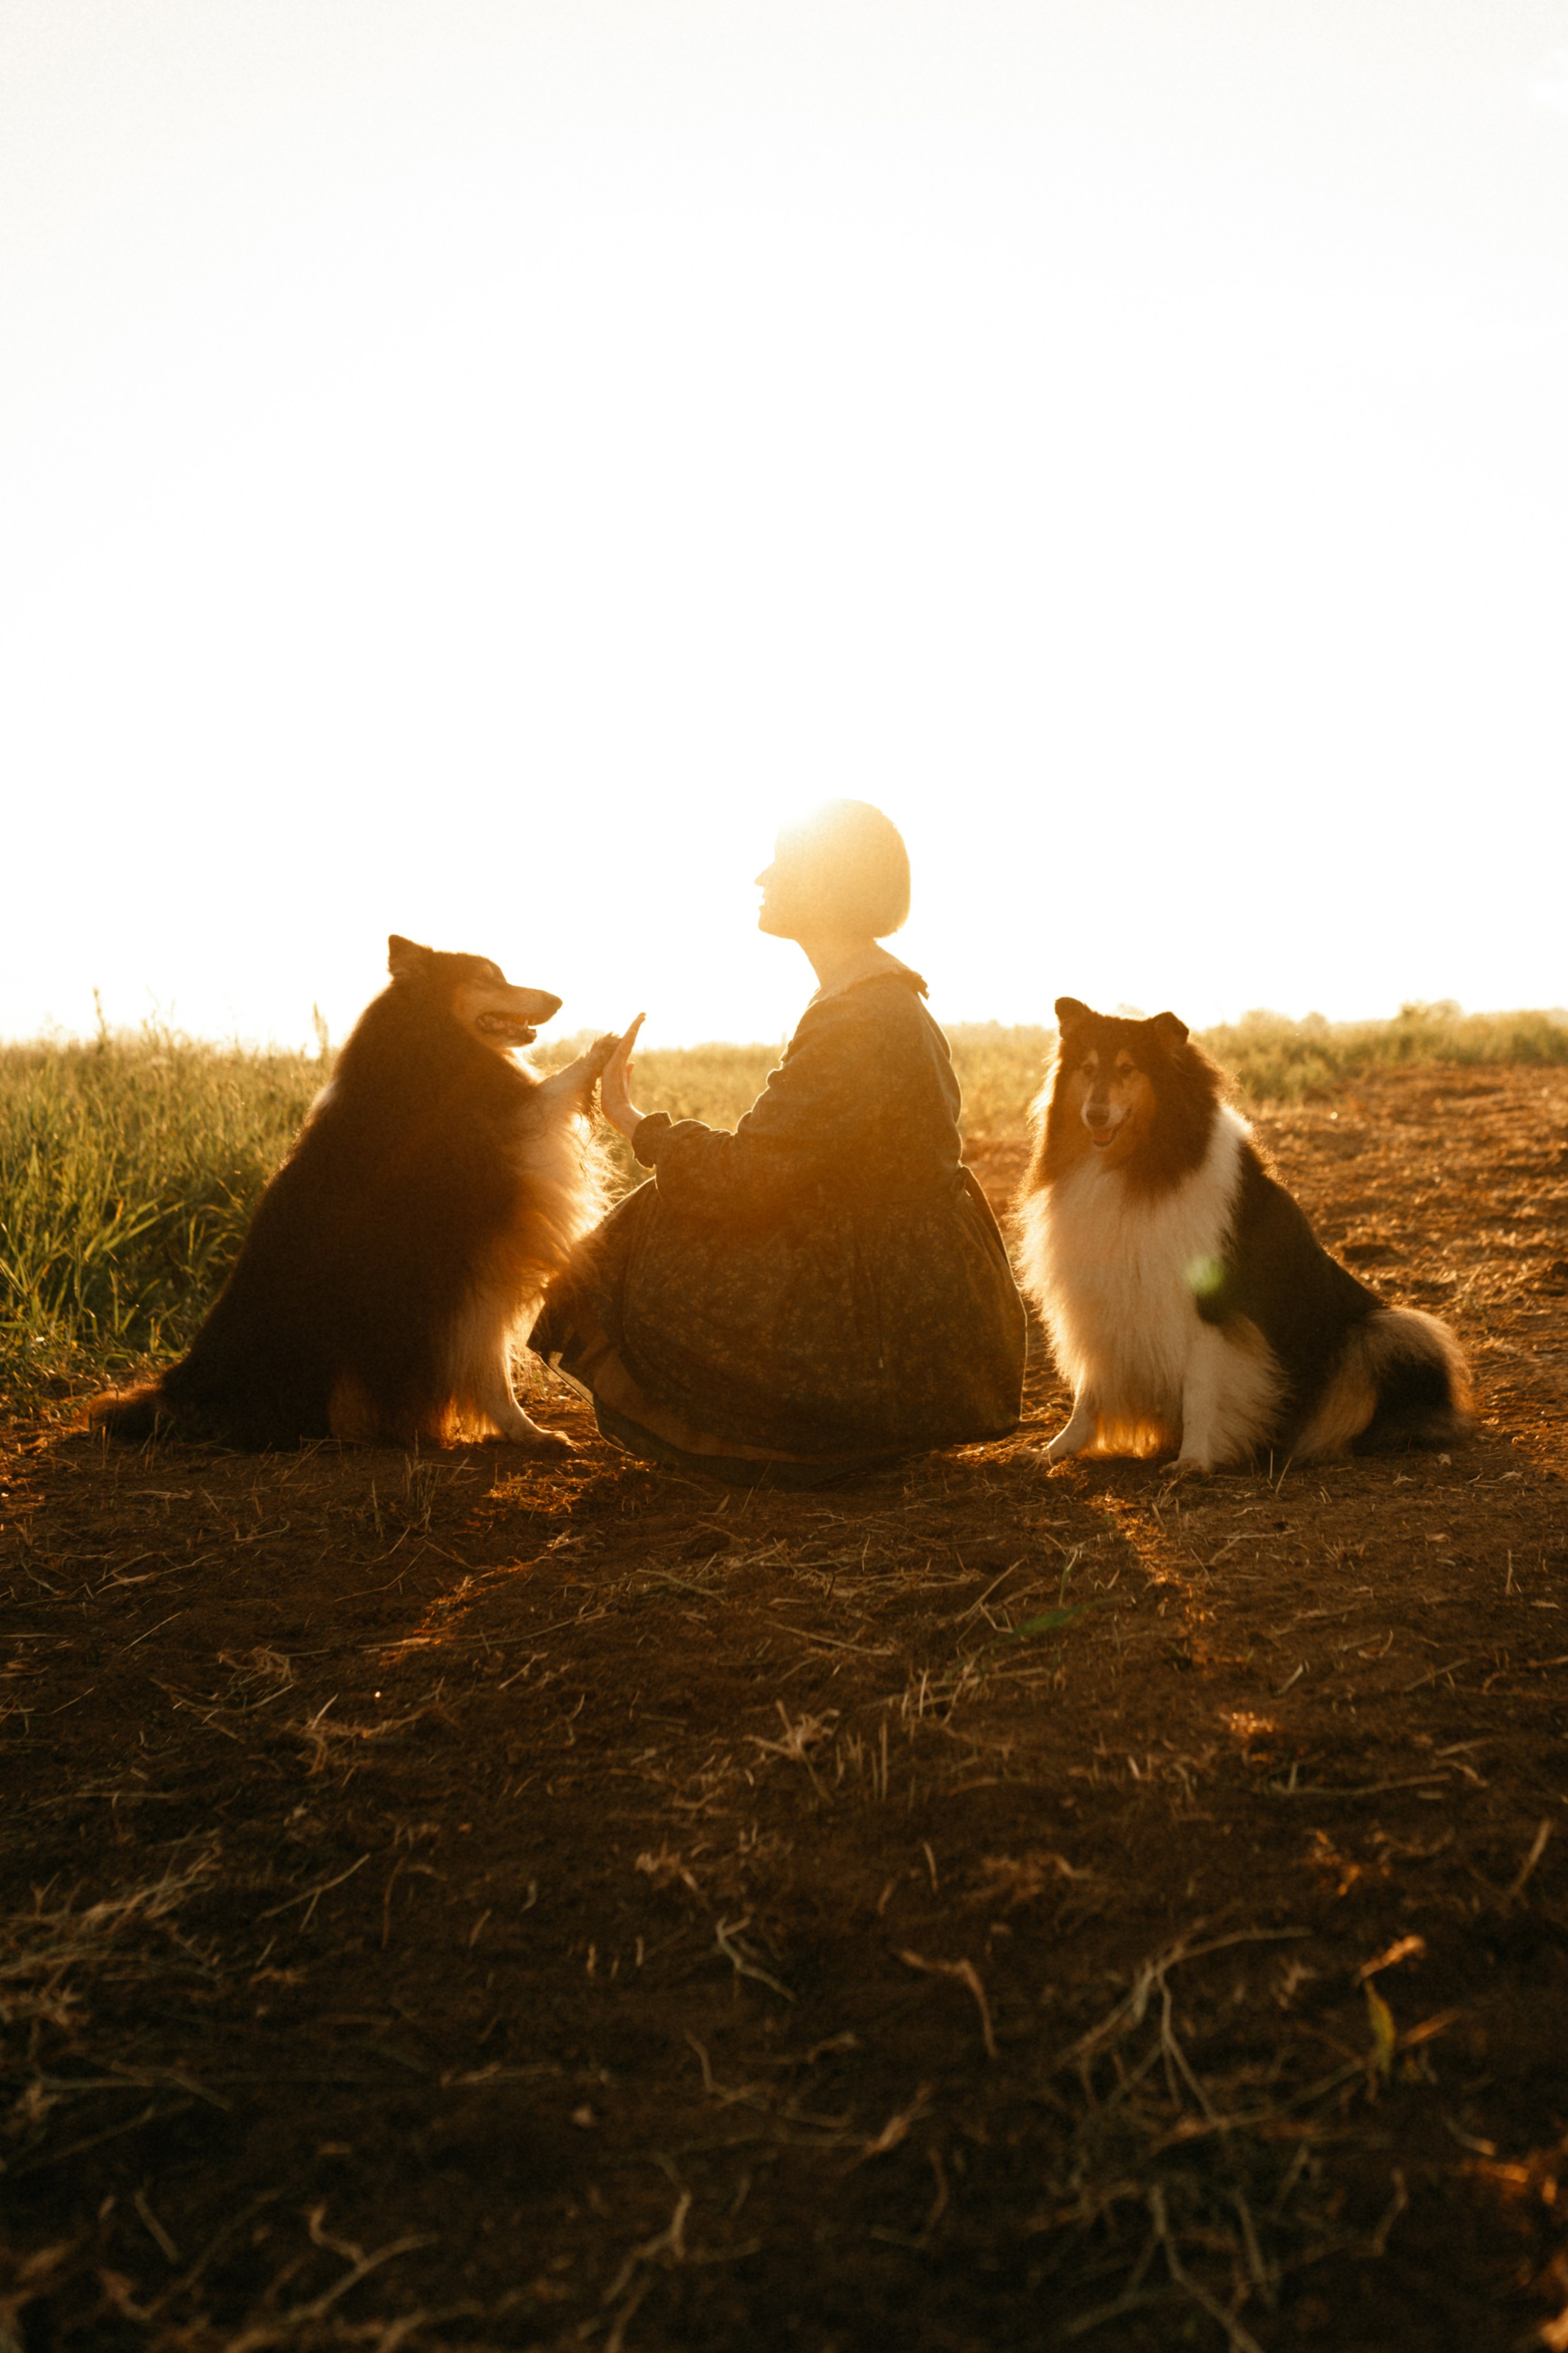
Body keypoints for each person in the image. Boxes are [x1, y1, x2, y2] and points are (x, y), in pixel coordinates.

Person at [530, 799, 1027, 1483]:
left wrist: (631, 1118)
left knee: (654, 1221)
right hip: (910, 1303)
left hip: (891, 1323)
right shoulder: (873, 995)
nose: (761, 876)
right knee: (667, 1204)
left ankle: (816, 1425)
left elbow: (744, 1177)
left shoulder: (863, 1015)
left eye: (783, 863)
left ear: (827, 883)